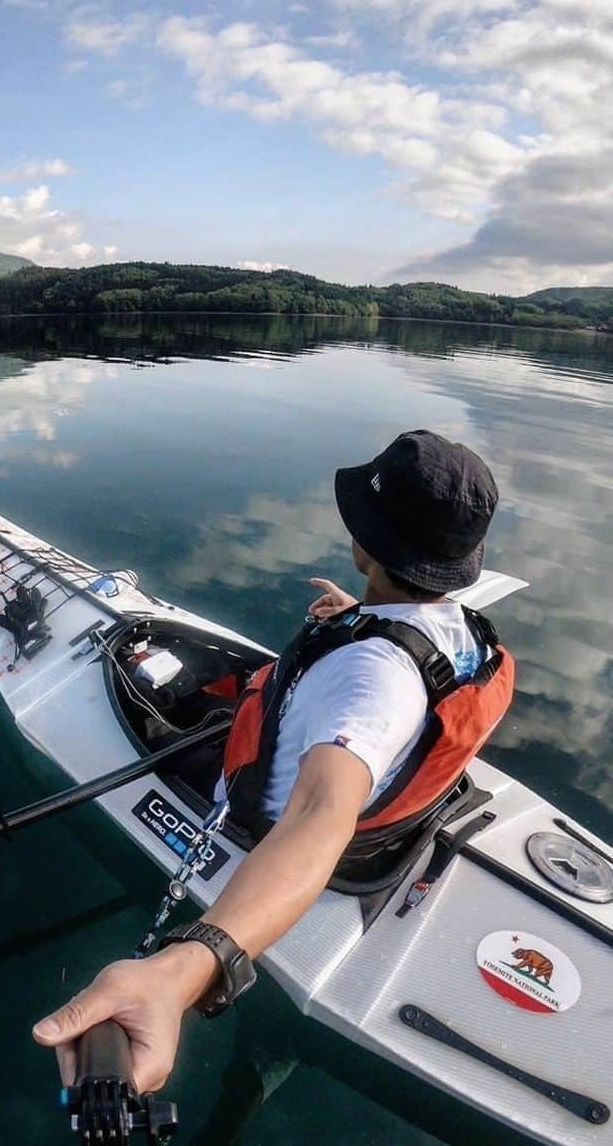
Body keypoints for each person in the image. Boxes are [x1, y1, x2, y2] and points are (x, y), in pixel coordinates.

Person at [33, 430, 513, 1094]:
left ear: (370, 547)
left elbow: (320, 819)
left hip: (269, 803)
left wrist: (182, 971)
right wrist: (366, 617)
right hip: (392, 805)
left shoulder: (370, 681)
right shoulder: (460, 632)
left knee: (163, 704)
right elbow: (405, 670)